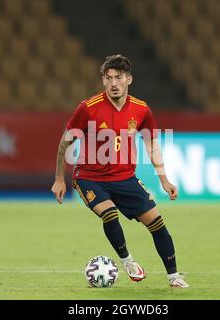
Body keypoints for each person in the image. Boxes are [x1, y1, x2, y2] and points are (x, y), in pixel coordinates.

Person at [51, 54, 189, 288]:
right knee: (110, 213)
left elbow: (151, 144)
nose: (113, 83)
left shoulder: (141, 109)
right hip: (89, 177)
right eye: (108, 78)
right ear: (103, 81)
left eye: (119, 77)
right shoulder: (88, 108)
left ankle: (174, 277)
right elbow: (65, 142)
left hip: (125, 178)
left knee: (158, 224)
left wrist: (164, 180)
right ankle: (128, 261)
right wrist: (59, 179)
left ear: (129, 79)